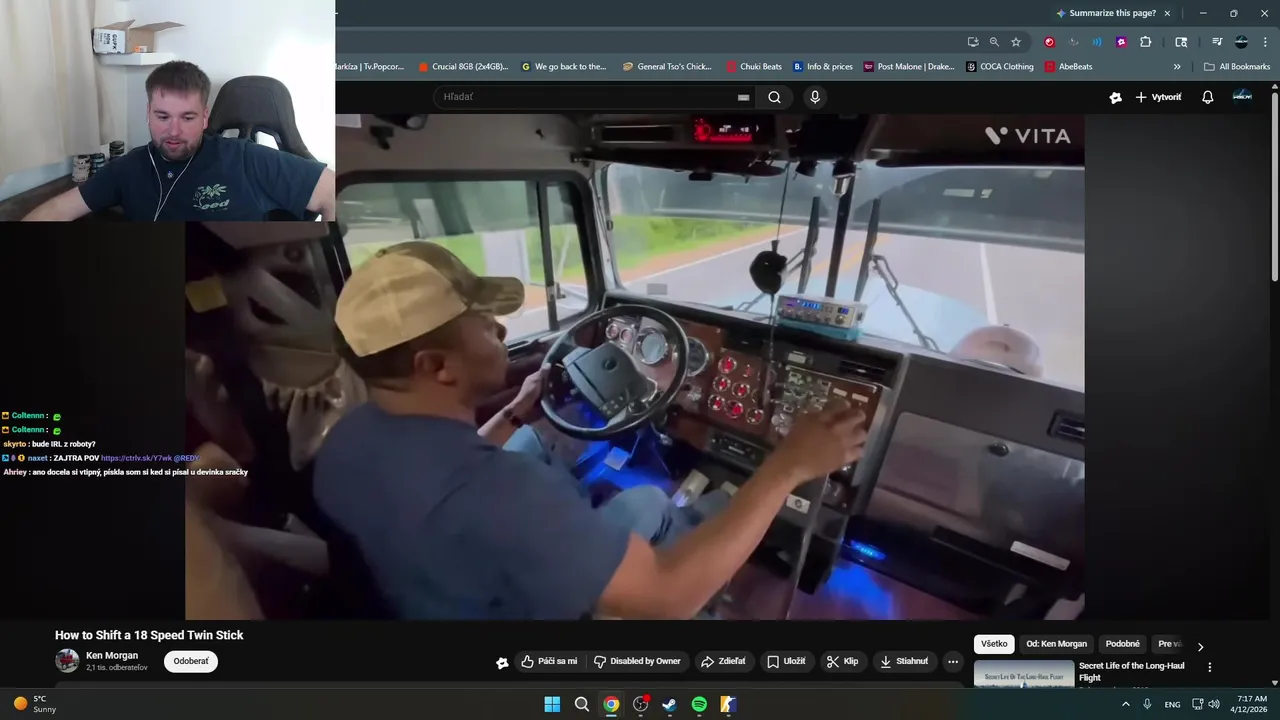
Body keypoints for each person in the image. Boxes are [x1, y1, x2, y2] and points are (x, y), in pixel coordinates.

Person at [314, 241, 869, 619]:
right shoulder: (502, 494)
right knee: (662, 517)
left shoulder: (348, 440)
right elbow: (667, 595)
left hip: (437, 591)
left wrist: (517, 412)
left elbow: (446, 472)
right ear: (437, 367)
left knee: (646, 501)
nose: (501, 329)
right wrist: (788, 466)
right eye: (483, 324)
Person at [22, 61, 334, 222]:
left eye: (187, 117)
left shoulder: (246, 158)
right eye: (162, 116)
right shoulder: (128, 168)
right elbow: (58, 210)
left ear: (205, 117)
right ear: (148, 114)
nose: (173, 131)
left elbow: (333, 191)